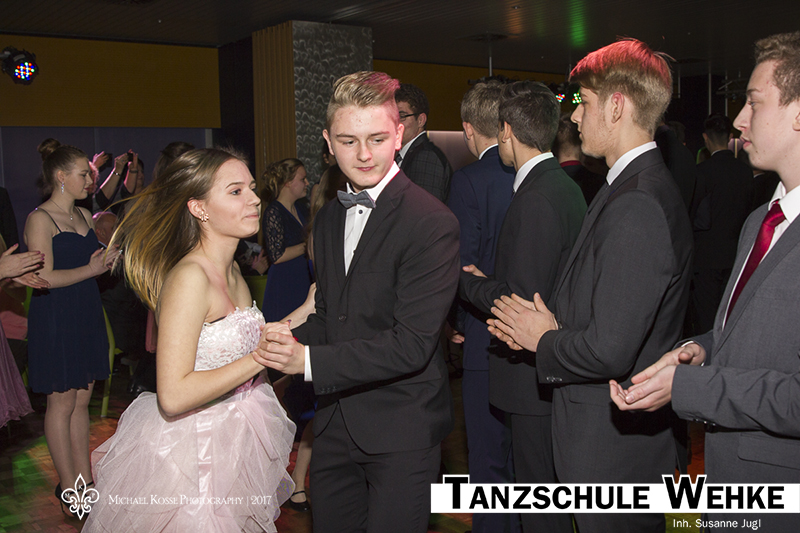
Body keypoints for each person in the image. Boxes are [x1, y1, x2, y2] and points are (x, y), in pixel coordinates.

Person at [488, 39, 693, 533]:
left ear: (617, 106)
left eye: (584, 102)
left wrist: (543, 339)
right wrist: (551, 323)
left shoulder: (638, 201)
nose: (575, 116)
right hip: (613, 443)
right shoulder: (628, 185)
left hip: (613, 451)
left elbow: (609, 350)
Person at [610, 31, 800, 533]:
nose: (739, 120)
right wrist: (700, 350)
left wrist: (691, 386)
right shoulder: (761, 219)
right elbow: (748, 336)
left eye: (754, 102)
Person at [255, 71, 460, 533]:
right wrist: (278, 341)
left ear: (399, 135)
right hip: (333, 426)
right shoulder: (329, 217)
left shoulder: (431, 222)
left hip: (402, 430)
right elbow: (332, 315)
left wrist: (306, 361)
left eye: (377, 139)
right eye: (349, 141)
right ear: (329, 143)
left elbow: (412, 344)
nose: (364, 154)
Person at [83, 148, 297, 531]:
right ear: (199, 208)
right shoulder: (189, 278)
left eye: (251, 188)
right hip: (193, 452)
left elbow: (242, 347)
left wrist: (305, 312)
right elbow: (174, 396)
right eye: (236, 191)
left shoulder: (233, 270)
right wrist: (260, 358)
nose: (254, 199)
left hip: (236, 438)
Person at [458, 80, 585, 533]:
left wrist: (467, 282)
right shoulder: (563, 186)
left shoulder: (534, 197)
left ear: (507, 130)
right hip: (550, 370)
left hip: (532, 379)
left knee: (539, 505)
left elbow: (521, 305)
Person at [23, 141, 119, 516]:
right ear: (61, 176)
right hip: (56, 315)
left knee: (81, 401)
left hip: (85, 311)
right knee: (61, 403)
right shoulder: (40, 219)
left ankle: (85, 482)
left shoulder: (83, 215)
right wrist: (91, 269)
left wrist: (106, 261)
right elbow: (43, 278)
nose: (90, 180)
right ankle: (68, 487)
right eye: (84, 174)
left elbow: (89, 267)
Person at [446, 79, 519, 533]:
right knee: (522, 459)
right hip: (533, 335)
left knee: (488, 462)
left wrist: (454, 321)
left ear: (469, 129)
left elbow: (461, 265)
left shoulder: (468, 180)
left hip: (483, 334)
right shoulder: (534, 175)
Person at [688, 113, 755, 335]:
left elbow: (694, 215)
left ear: (706, 138)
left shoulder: (702, 172)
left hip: (705, 256)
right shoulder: (745, 171)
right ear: (729, 137)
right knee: (730, 317)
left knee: (706, 319)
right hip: (736, 253)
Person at [260, 158, 312, 324]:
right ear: (288, 183)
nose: (307, 183)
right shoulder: (274, 212)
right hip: (285, 283)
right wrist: (309, 245)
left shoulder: (301, 208)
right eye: (302, 179)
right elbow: (277, 256)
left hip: (302, 277)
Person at [395, 83, 453, 202]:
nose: (395, 123)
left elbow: (423, 208)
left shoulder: (425, 157)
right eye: (392, 116)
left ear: (421, 120)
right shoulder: (409, 154)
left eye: (402, 116)